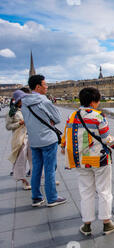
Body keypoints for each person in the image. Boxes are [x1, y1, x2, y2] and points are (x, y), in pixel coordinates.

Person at [61, 87, 114, 235]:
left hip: (81, 160)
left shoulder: (72, 116)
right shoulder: (98, 117)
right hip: (99, 159)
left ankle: (87, 224)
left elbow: (66, 136)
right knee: (104, 190)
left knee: (86, 192)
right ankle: (106, 223)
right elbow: (106, 139)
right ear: (93, 101)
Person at [21, 74, 66, 207]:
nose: (47, 87)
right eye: (45, 85)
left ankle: (36, 197)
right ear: (38, 87)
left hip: (34, 140)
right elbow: (57, 118)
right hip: (48, 139)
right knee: (49, 169)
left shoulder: (24, 103)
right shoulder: (44, 101)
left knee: (36, 169)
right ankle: (52, 198)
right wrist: (49, 120)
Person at [5, 89, 32, 190]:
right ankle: (24, 181)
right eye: (22, 99)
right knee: (21, 160)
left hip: (31, 136)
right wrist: (19, 123)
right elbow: (8, 126)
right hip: (20, 138)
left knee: (35, 159)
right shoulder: (12, 112)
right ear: (18, 100)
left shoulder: (28, 108)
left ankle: (43, 177)